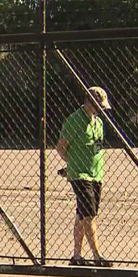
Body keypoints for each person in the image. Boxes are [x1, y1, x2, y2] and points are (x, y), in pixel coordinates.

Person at [56, 86, 112, 267]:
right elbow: (61, 147)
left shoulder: (99, 123)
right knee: (89, 215)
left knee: (82, 214)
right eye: (97, 105)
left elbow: (97, 148)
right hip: (80, 175)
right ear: (88, 102)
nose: (100, 110)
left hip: (96, 174)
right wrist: (71, 165)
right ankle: (97, 256)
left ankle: (76, 256)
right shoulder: (73, 121)